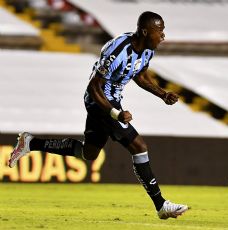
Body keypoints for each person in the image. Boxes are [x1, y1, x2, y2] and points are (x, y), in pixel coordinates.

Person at [8, 11, 189, 220]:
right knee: (138, 146)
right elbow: (94, 87)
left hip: (112, 102)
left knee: (89, 153)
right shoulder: (118, 49)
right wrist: (115, 113)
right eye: (160, 31)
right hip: (99, 101)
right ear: (146, 32)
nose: (163, 36)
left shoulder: (147, 51)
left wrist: (162, 94)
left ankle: (30, 143)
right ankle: (161, 204)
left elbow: (139, 75)